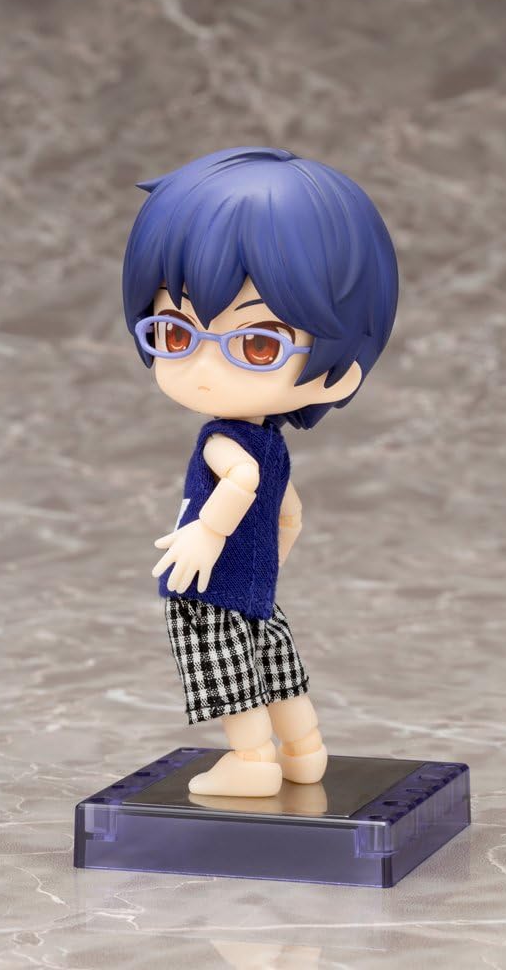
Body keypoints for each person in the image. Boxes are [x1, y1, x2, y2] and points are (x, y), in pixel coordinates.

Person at [122, 147, 398, 796]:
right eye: (175, 333)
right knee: (276, 670)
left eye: (255, 343)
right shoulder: (274, 442)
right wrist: (265, 561)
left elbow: (240, 480)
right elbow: (290, 512)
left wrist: (208, 536)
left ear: (341, 369)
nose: (202, 368)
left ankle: (252, 762)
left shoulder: (226, 438)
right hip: (254, 587)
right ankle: (304, 751)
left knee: (230, 680)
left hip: (211, 587)